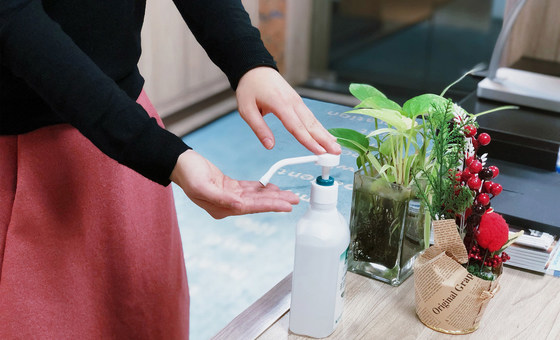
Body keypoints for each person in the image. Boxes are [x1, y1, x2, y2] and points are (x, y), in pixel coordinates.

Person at [0, 0, 340, 338]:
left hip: (124, 146)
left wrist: (250, 61)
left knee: (144, 319)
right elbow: (15, 24)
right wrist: (163, 153)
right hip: (24, 156)